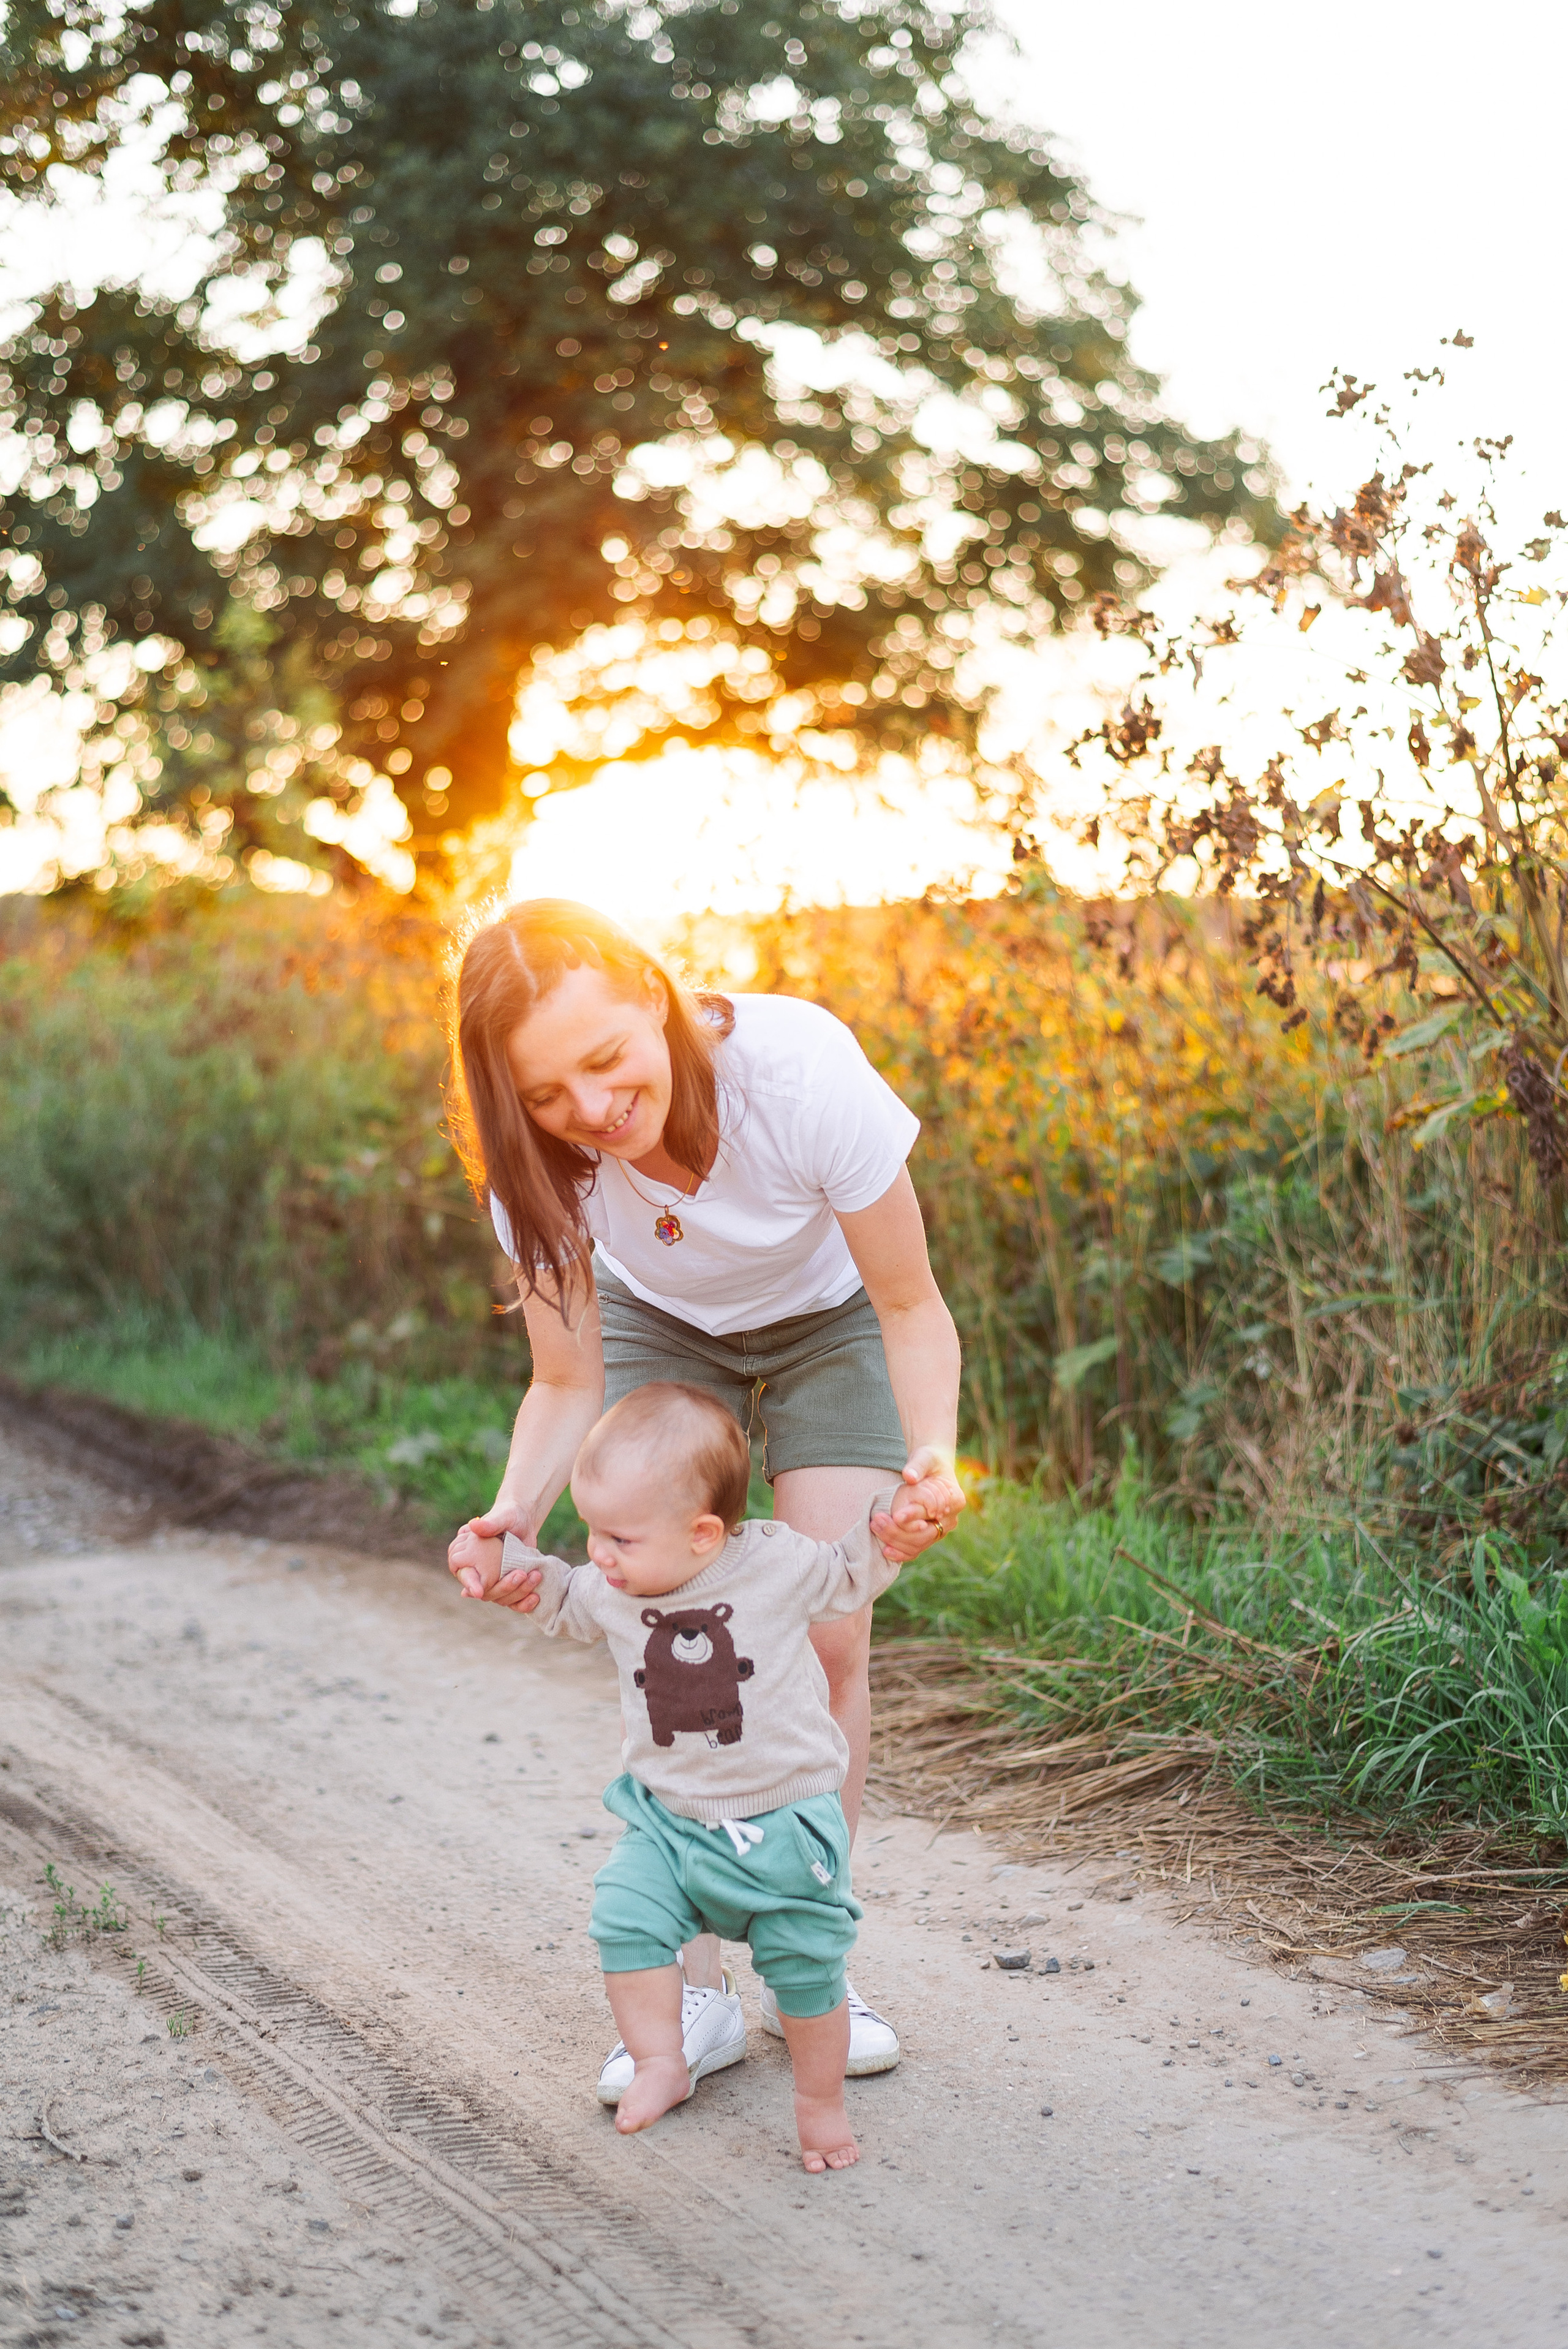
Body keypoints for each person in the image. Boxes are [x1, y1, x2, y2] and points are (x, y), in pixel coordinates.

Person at [445, 898, 963, 2095]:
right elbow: (566, 1377)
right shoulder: (541, 1174)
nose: (590, 1110)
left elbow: (905, 1305)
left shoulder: (796, 1074)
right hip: (659, 1331)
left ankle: (806, 1962)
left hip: (833, 1325)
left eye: (605, 1060)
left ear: (655, 991)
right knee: (670, 1634)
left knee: (828, 1637)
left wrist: (928, 1452)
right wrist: (514, 1513)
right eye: (545, 1093)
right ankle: (694, 1995)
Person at [451, 1379, 903, 2171]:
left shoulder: (776, 1564)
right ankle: (662, 2054)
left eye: (618, 1537)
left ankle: (821, 2107)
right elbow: (557, 1592)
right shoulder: (617, 1583)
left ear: (702, 1534)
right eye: (592, 1531)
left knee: (807, 1973)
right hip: (668, 1823)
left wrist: (893, 1533)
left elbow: (847, 1574)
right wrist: (504, 1564)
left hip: (787, 1825)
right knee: (623, 1919)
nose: (598, 1553)